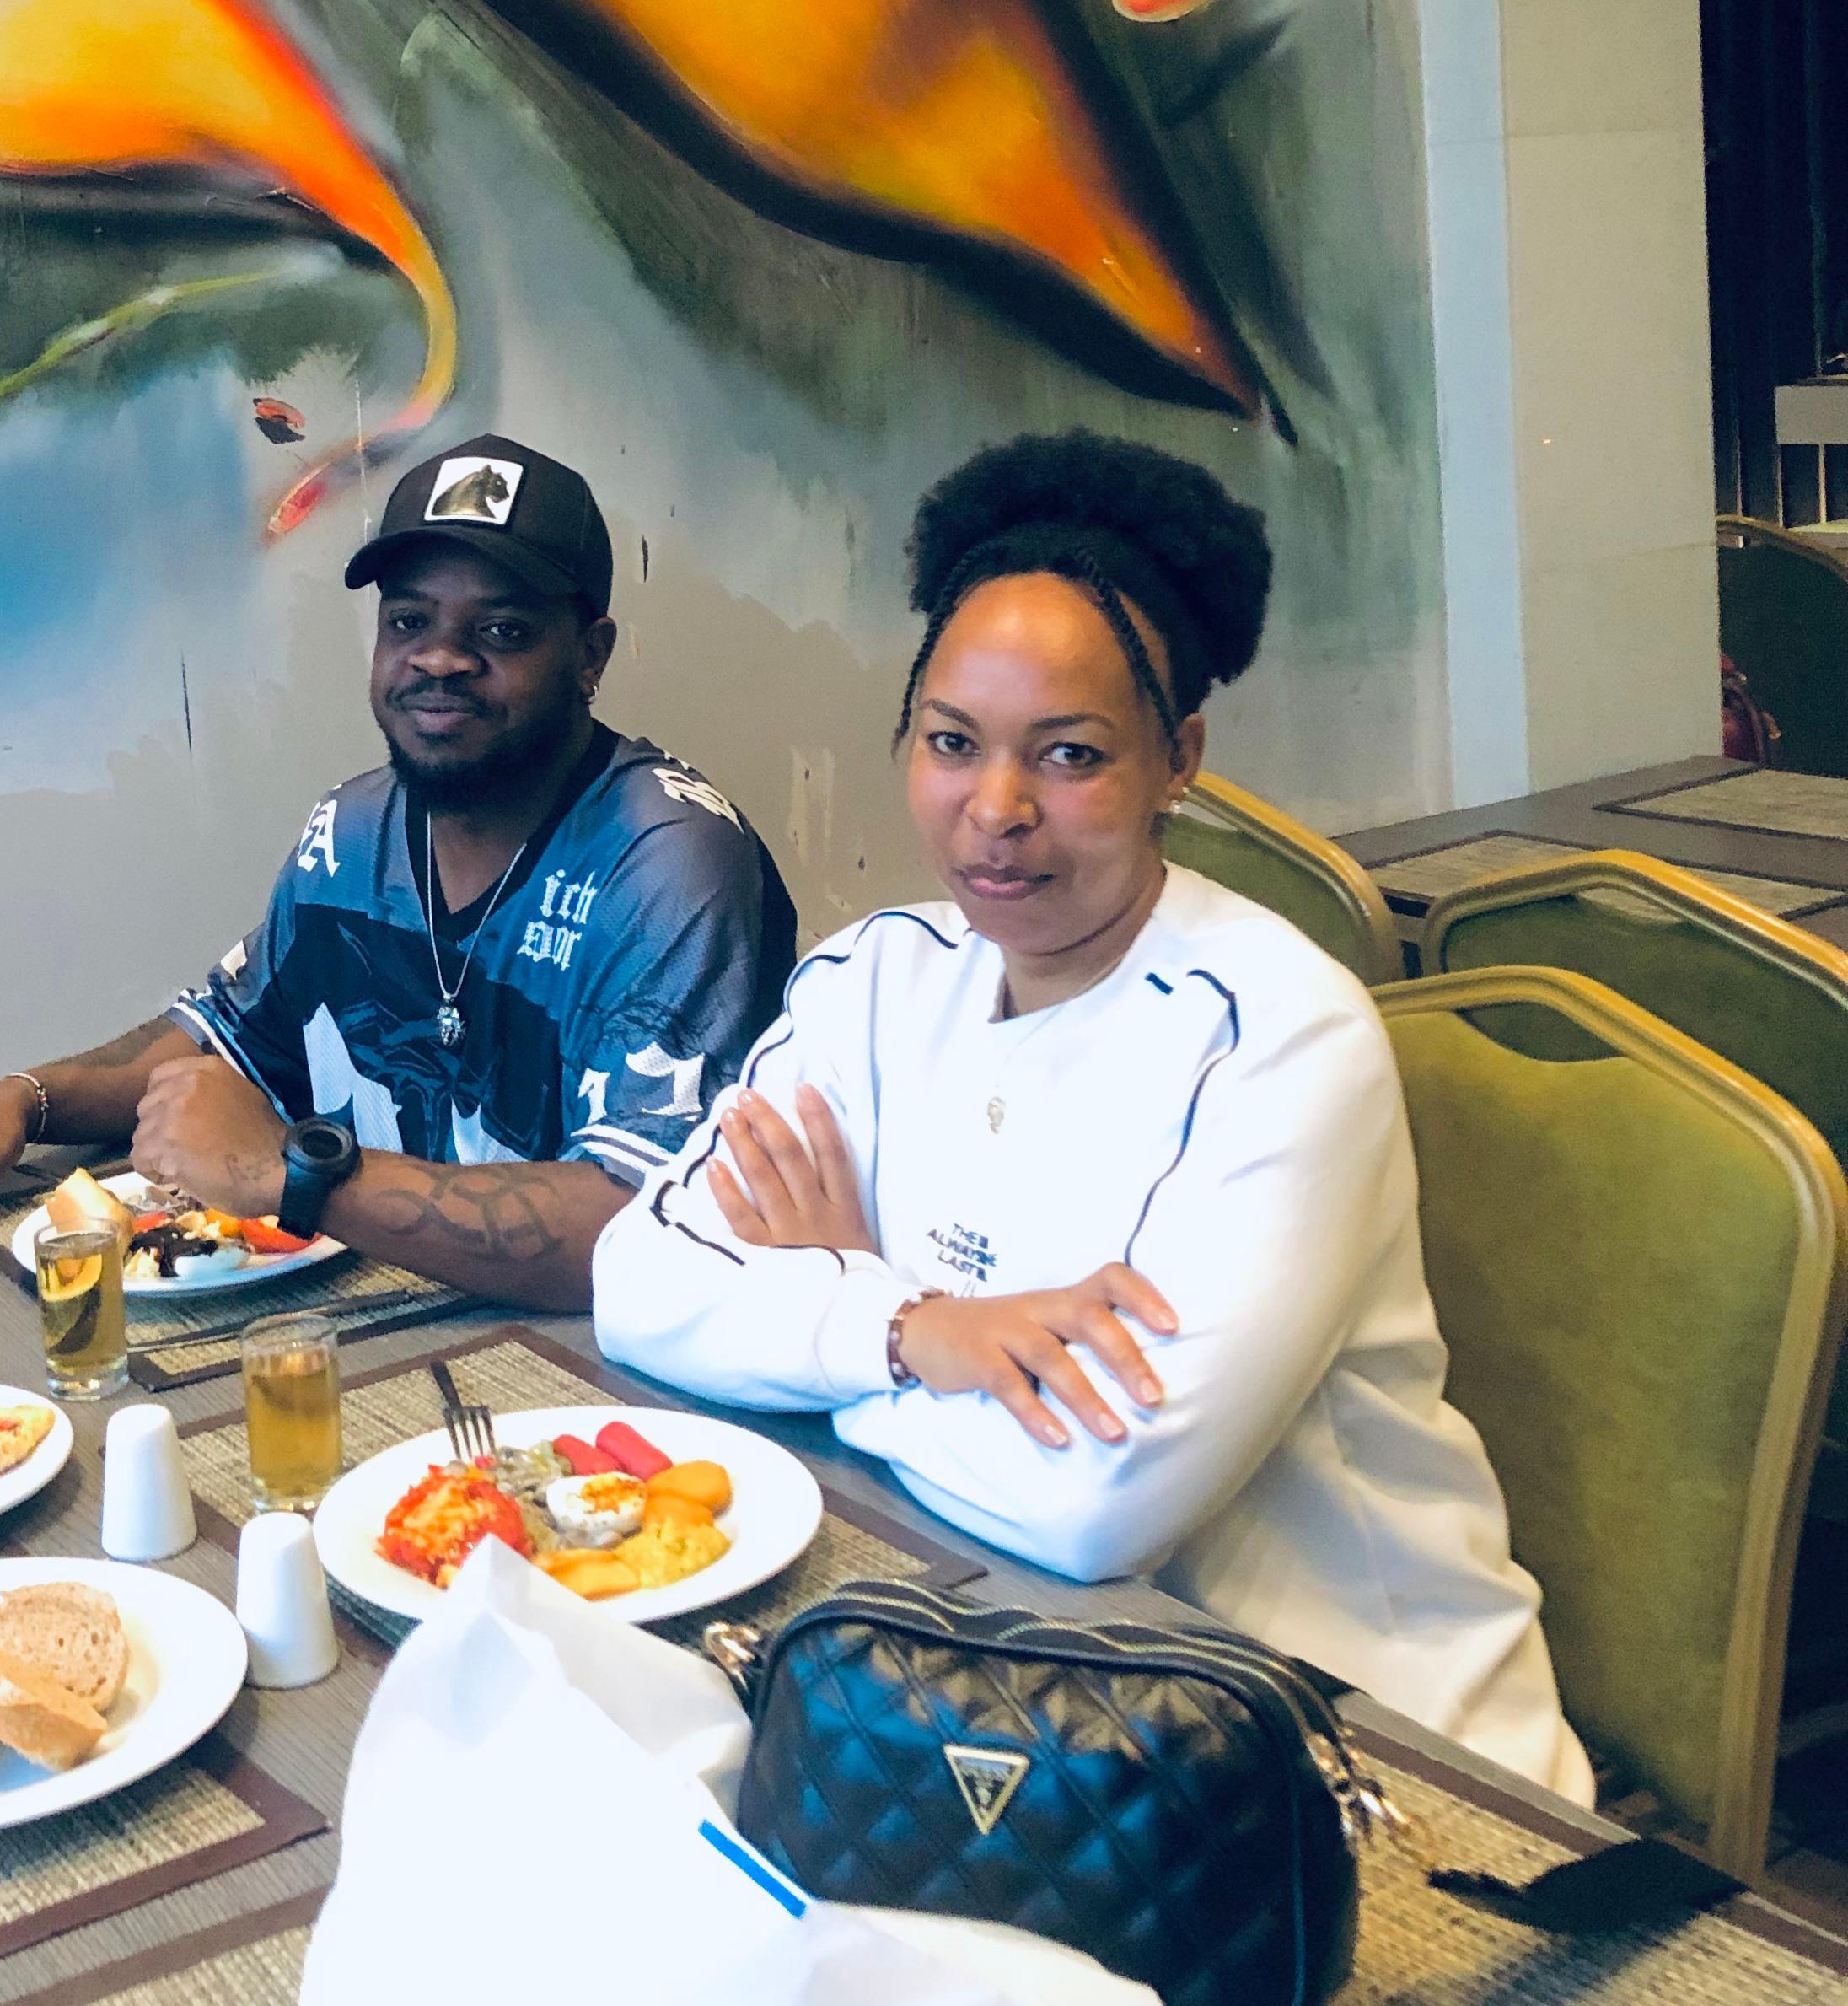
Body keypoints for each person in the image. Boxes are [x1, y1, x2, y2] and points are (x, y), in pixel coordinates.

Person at [592, 431, 1590, 1797]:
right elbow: (634, 1286)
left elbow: (1092, 1506)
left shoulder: (1272, 1038)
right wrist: (917, 1331)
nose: (996, 811)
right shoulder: (874, 978)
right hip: (1020, 1690)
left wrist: (822, 1325)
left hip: (1354, 1754)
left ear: (1177, 759)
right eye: (951, 743)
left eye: (1067, 755)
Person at [0, 435, 798, 1310]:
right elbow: (225, 1040)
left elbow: (641, 1223)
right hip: (374, 1314)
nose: (441, 658)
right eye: (409, 621)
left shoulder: (667, 862)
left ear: (589, 655)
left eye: (503, 630)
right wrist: (24, 1102)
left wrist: (293, 1172)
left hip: (583, 1365)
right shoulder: (352, 831)